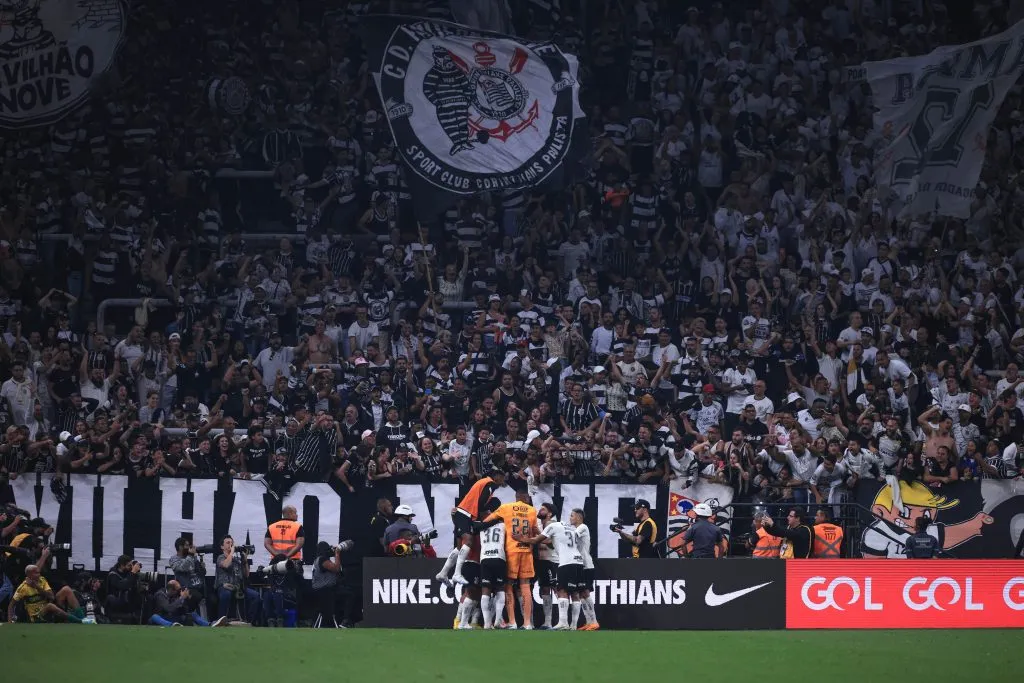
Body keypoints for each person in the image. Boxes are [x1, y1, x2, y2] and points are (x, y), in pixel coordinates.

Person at [516, 503, 584, 630]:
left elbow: (549, 543)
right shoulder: (547, 524)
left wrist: (525, 539)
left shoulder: (552, 524)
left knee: (559, 590)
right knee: (545, 590)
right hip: (542, 560)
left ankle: (560, 621)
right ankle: (549, 622)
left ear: (549, 514)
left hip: (553, 560)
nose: (539, 510)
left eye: (543, 509)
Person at [436, 470, 505, 587]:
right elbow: (481, 503)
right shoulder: (490, 483)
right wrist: (488, 515)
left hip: (462, 513)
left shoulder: (482, 483)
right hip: (465, 514)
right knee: (468, 541)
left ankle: (443, 573)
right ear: (497, 476)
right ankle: (457, 573)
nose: (503, 482)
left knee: (459, 547)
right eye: (502, 478)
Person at [480, 489, 537, 630]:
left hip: (511, 551)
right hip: (526, 550)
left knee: (508, 585)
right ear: (526, 498)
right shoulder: (532, 510)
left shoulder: (506, 508)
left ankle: (512, 622)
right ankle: (527, 623)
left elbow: (487, 521)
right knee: (525, 585)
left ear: (516, 497)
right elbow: (535, 531)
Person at [7, 564, 85, 623]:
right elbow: (11, 605)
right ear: (29, 575)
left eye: (39, 572)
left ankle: (83, 618)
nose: (39, 574)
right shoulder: (23, 587)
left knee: (66, 589)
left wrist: (36, 587)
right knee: (50, 606)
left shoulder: (42, 580)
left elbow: (52, 597)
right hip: (36, 616)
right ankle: (79, 621)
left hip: (49, 610)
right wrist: (10, 621)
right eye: (36, 573)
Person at [215, 535, 260, 624]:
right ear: (222, 547)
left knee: (255, 596)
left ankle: (250, 621)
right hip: (224, 587)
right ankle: (220, 620)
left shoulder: (237, 559)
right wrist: (231, 553)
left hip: (238, 587)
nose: (230, 545)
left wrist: (245, 560)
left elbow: (246, 575)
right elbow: (226, 565)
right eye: (228, 543)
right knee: (226, 594)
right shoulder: (220, 557)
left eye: (232, 543)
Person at [477, 497, 507, 630]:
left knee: (486, 590)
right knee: (500, 588)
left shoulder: (480, 525)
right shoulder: (503, 524)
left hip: (485, 558)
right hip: (499, 557)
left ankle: (487, 623)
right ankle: (498, 619)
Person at [150, 579, 227, 627]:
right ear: (171, 590)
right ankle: (171, 626)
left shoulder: (176, 594)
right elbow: (168, 609)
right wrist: (181, 598)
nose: (180, 591)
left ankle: (210, 624)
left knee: (192, 614)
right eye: (178, 590)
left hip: (173, 618)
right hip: (162, 618)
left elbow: (186, 610)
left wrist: (186, 600)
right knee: (154, 616)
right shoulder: (160, 594)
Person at [570, 509, 599, 630]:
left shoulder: (583, 527)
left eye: (572, 516)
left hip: (586, 565)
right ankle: (588, 621)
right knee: (581, 593)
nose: (570, 518)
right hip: (579, 564)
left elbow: (571, 536)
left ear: (578, 517)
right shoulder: (575, 529)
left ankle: (594, 621)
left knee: (585, 592)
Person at [169, 537, 207, 611]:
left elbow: (203, 573)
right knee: (197, 597)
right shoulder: (174, 559)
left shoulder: (192, 557)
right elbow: (183, 568)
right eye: (186, 545)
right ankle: (195, 619)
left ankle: (212, 621)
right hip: (186, 587)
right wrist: (190, 555)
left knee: (211, 598)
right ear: (180, 547)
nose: (189, 547)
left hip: (199, 586)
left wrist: (200, 565)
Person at [311, 541, 343, 627]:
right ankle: (344, 621)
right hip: (325, 590)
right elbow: (336, 569)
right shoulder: (322, 559)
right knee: (348, 595)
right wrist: (337, 553)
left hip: (320, 590)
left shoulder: (317, 559)